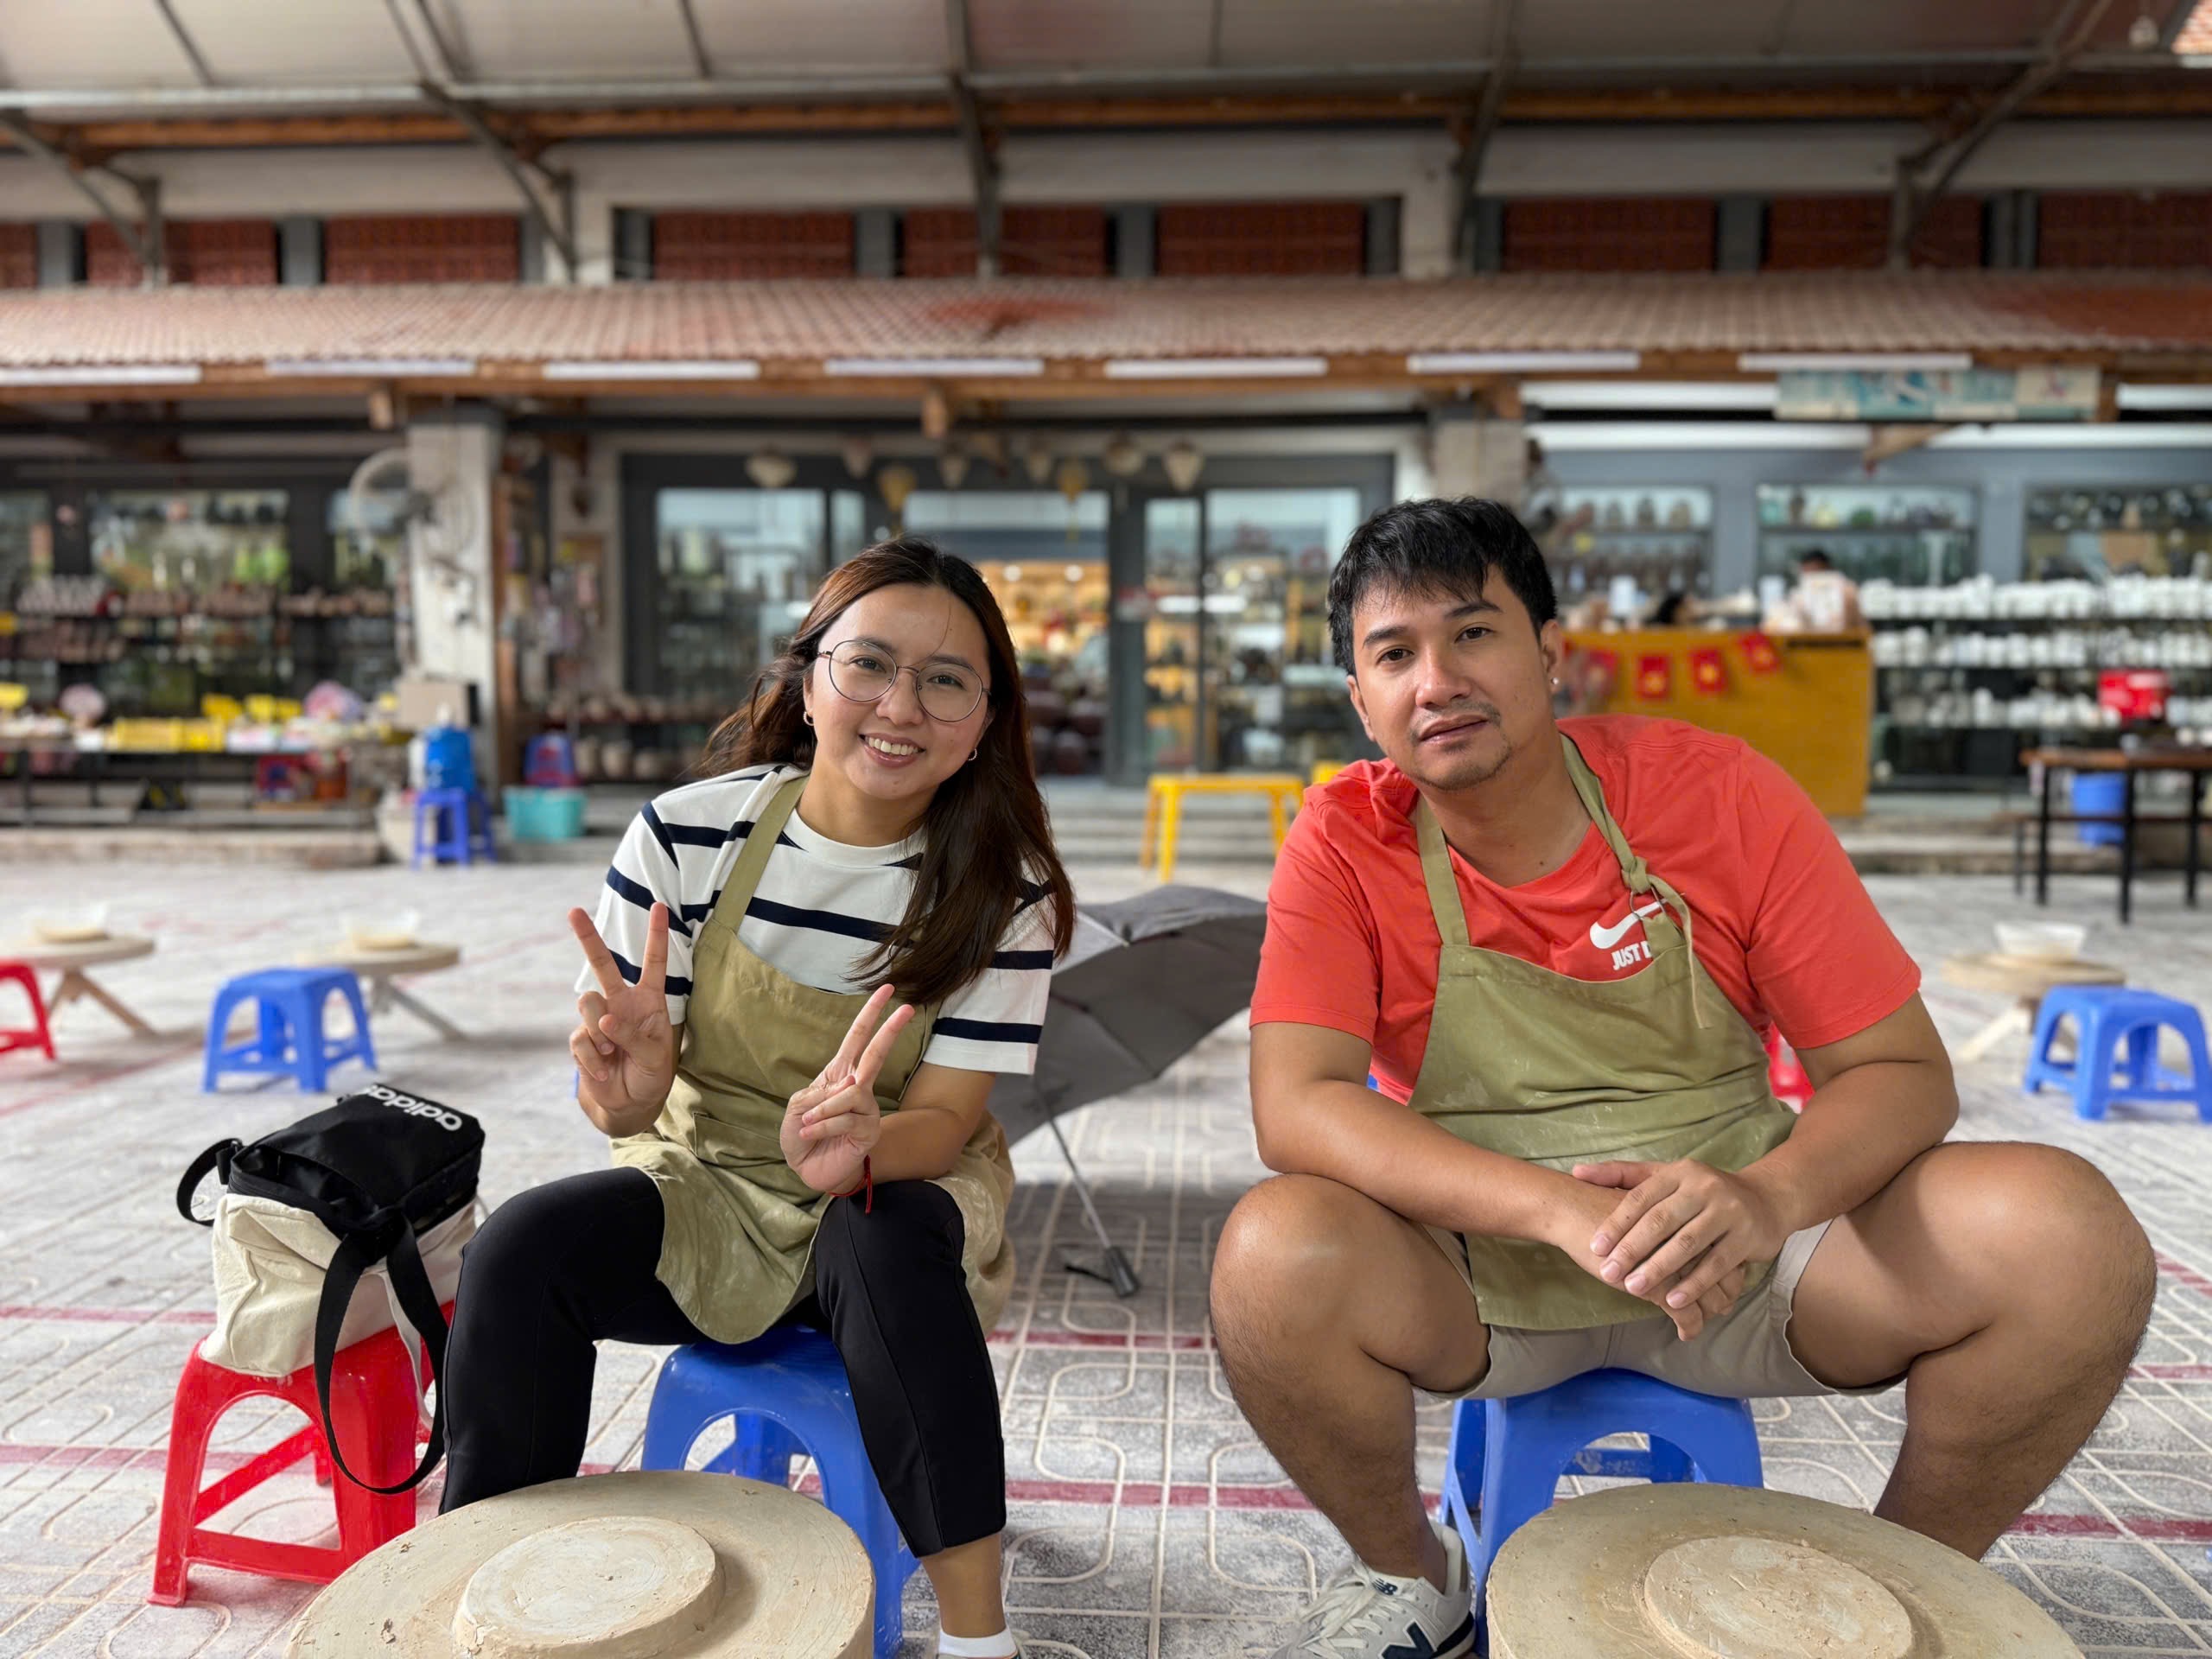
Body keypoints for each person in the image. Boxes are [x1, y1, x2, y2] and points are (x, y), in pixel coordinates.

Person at [1211, 498, 2155, 1657]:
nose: (1436, 680)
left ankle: (1903, 1584)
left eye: (1473, 634)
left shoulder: (1717, 794)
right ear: (1363, 701)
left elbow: (1903, 1073)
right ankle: (1413, 1577)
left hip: (1753, 1266)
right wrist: (1554, 1210)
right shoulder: (1346, 839)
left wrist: (1767, 1201)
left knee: (2070, 1239)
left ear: (1551, 653)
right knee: (1272, 1255)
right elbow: (1295, 1102)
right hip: (1485, 1279)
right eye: (1394, 655)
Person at [440, 538, 1076, 1654]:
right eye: (868, 664)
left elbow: (950, 1119)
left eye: (946, 681)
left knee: (884, 1241)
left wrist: (864, 1150)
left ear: (987, 716)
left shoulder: (1000, 890)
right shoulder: (688, 835)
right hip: (707, 1184)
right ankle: (493, 1598)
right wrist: (628, 1097)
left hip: (889, 1185)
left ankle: (982, 1640)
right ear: (808, 677)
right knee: (522, 1249)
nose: (900, 706)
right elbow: (632, 1116)